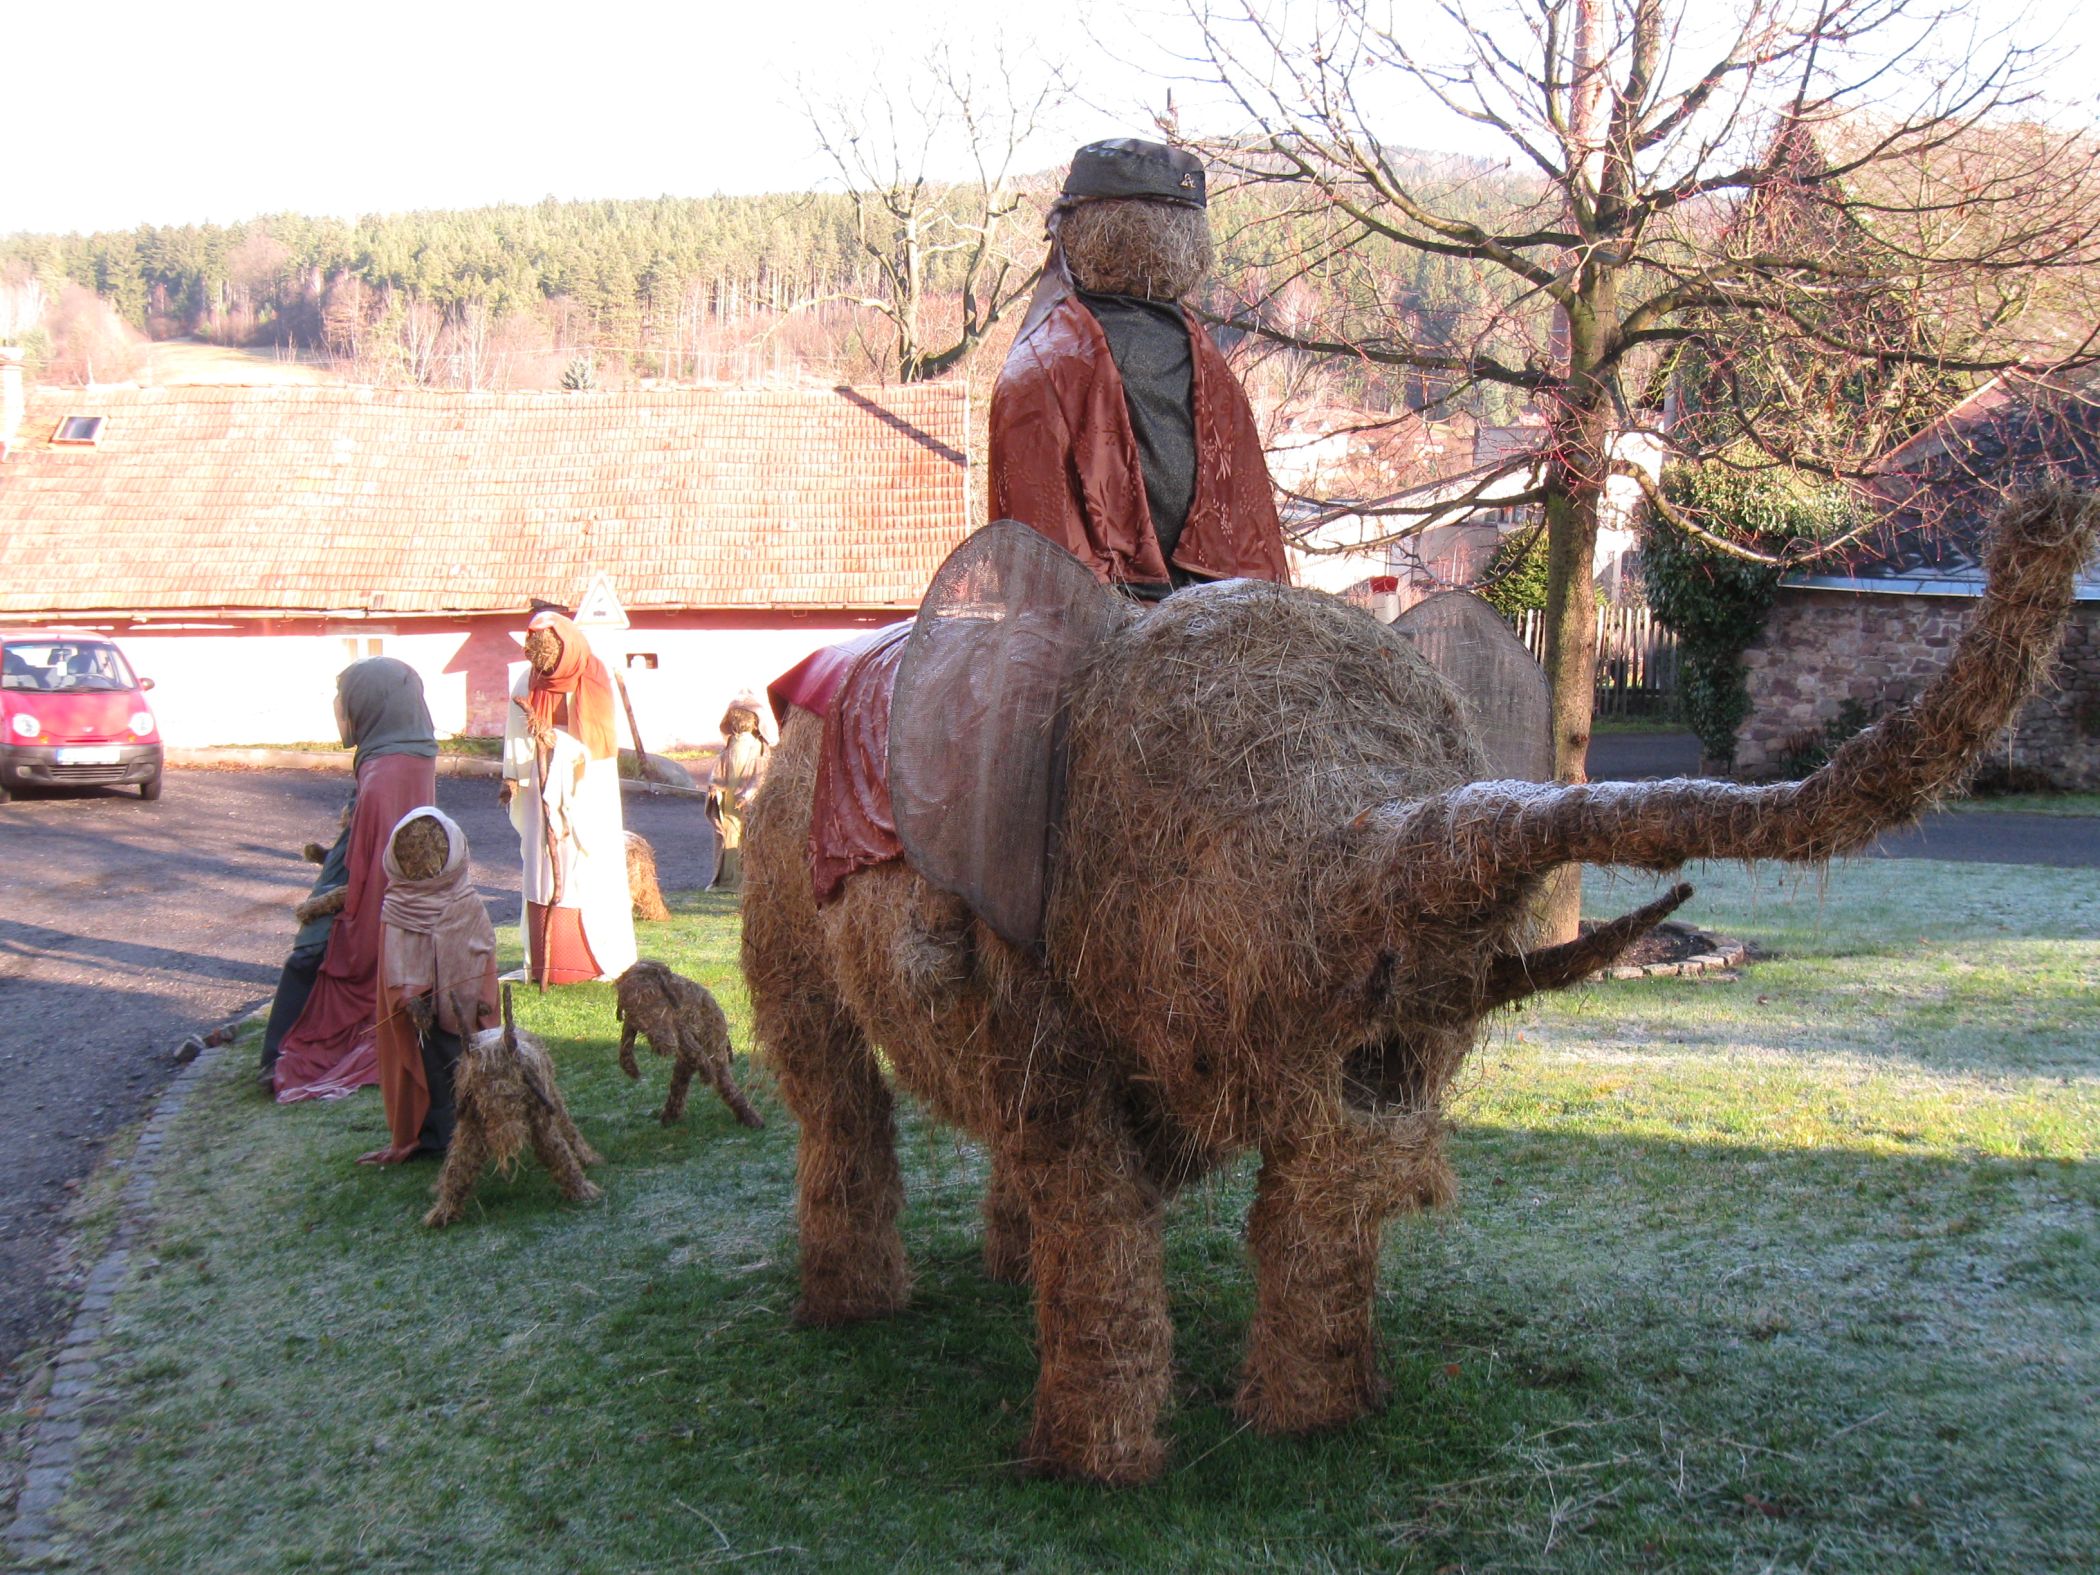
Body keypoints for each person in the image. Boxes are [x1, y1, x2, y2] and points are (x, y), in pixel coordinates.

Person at [990, 138, 1291, 599]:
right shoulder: (1211, 363)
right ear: (1190, 241)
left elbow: (1033, 575)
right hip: (1217, 628)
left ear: (1077, 230)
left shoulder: (1040, 363)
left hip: (1113, 631)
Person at [272, 659, 440, 1125]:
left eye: (344, 697)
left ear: (371, 702)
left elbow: (381, 854)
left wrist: (344, 908)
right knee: (310, 953)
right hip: (362, 881)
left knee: (310, 953)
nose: (338, 707)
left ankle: (275, 1057)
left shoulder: (388, 768)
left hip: (366, 895)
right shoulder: (400, 751)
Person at [502, 610, 638, 985]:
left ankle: (588, 958)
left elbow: (599, 744)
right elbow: (515, 733)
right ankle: (546, 961)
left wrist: (559, 745)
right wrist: (512, 777)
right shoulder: (528, 679)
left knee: (585, 862)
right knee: (542, 865)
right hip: (540, 782)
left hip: (587, 786)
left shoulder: (594, 677)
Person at [370, 808, 499, 1165]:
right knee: (429, 1069)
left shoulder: (464, 902)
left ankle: (473, 1127)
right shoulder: (399, 905)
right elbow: (396, 963)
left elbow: (481, 953)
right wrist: (409, 999)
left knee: (461, 1065)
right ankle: (432, 1134)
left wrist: (474, 999)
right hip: (419, 1013)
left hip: (463, 1009)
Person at [707, 696, 770, 891]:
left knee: (745, 836)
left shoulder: (758, 746)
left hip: (746, 801)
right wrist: (714, 785)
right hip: (728, 799)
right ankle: (726, 878)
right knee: (728, 835)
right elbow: (720, 769)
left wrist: (749, 794)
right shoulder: (730, 744)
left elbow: (760, 773)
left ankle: (744, 878)